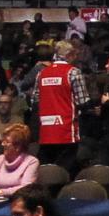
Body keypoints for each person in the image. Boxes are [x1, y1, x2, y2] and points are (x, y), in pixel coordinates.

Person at [34, 40, 88, 169]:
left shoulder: (42, 73)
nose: (76, 57)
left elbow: (35, 101)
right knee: (64, 171)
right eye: (74, 54)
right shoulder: (73, 72)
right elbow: (82, 102)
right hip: (66, 131)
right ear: (69, 55)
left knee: (46, 171)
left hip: (46, 131)